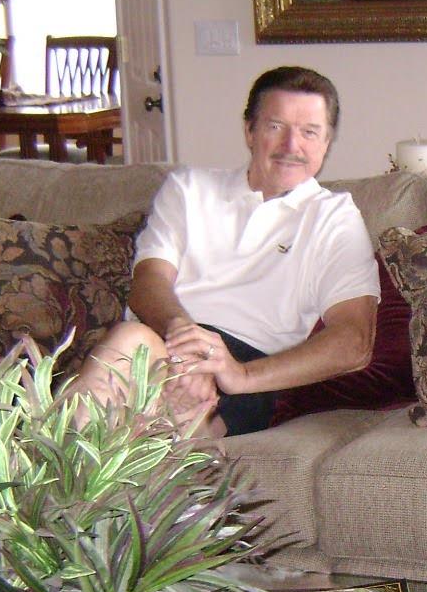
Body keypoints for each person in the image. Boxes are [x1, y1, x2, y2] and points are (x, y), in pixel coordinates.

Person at [76, 65, 379, 437]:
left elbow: (354, 342)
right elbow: (148, 281)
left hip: (246, 369)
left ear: (326, 143)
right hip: (165, 341)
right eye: (275, 127)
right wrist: (188, 347)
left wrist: (238, 374)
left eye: (309, 132)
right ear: (249, 130)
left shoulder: (334, 217)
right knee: (129, 343)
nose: (291, 146)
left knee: (157, 417)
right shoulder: (190, 189)